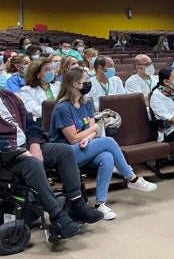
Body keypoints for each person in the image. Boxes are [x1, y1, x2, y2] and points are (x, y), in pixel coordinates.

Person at [0, 58, 103, 237]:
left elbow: (31, 125)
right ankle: (58, 216)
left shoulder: (8, 96)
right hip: (1, 157)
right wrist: (18, 150)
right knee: (32, 164)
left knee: (63, 151)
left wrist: (34, 145)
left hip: (26, 146)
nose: (2, 74)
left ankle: (77, 204)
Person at [51, 67, 157, 219]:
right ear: (74, 84)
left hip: (84, 146)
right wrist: (92, 129)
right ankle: (131, 177)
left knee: (107, 156)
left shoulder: (87, 103)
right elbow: (73, 139)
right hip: (65, 153)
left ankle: (100, 203)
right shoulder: (62, 108)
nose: (89, 83)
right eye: (85, 81)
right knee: (108, 141)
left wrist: (89, 136)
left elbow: (93, 130)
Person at [125, 55, 174, 165]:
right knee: (155, 119)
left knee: (172, 115)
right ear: (138, 67)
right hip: (142, 112)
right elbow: (140, 101)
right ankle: (152, 154)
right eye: (147, 64)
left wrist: (156, 99)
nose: (151, 66)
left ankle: (173, 151)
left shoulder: (155, 78)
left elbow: (169, 94)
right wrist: (156, 98)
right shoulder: (132, 81)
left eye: (151, 63)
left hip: (161, 108)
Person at [20, 57, 61, 122]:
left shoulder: (59, 85)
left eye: (52, 69)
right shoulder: (26, 91)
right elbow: (38, 111)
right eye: (47, 70)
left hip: (62, 119)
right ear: (37, 74)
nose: (51, 72)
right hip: (43, 123)